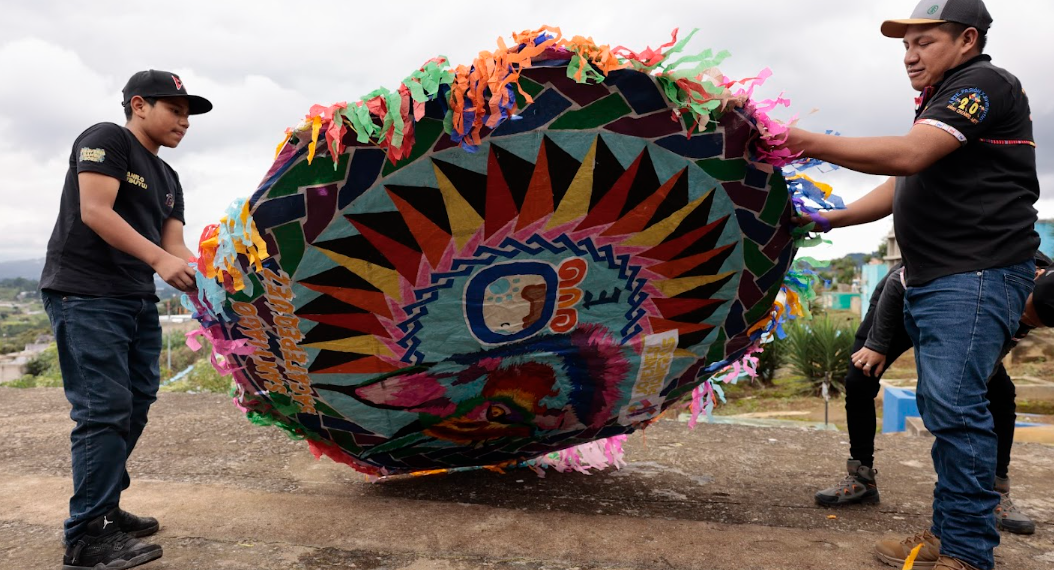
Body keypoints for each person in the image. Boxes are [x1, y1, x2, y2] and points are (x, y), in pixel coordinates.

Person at [782, 0, 1039, 568]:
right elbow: (904, 182)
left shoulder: (983, 84)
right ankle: (950, 536)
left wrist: (797, 138)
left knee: (955, 406)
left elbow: (908, 154)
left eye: (924, 42)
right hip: (939, 276)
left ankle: (968, 553)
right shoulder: (946, 101)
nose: (909, 55)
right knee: (945, 404)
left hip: (975, 274)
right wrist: (824, 219)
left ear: (967, 39)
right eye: (905, 45)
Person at [40, 70, 211, 570]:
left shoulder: (169, 177)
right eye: (174, 110)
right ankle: (87, 537)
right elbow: (95, 210)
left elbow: (174, 244)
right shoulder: (106, 139)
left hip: (134, 297)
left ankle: (106, 505)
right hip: (85, 293)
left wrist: (209, 277)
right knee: (103, 409)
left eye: (187, 115)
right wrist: (160, 261)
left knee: (136, 403)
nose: (183, 122)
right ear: (139, 105)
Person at [814, 256, 1045, 537]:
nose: (1023, 321)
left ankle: (995, 492)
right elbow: (898, 280)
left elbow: (1005, 343)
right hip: (905, 293)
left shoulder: (1041, 292)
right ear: (1036, 275)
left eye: (1030, 323)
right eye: (1024, 311)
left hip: (969, 313)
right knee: (860, 375)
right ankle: (861, 476)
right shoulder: (986, 253)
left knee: (1000, 393)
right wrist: (876, 344)